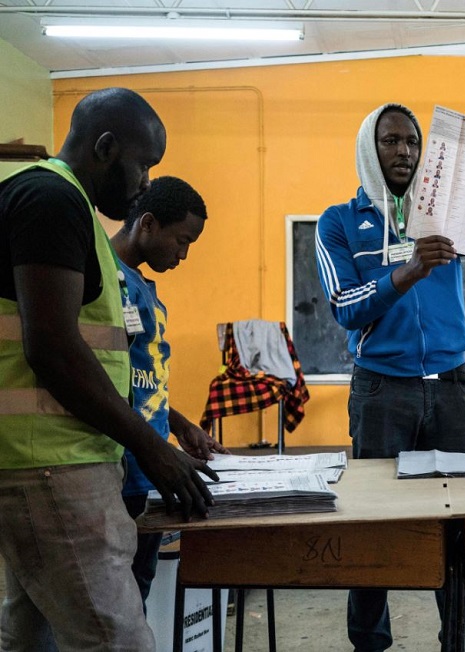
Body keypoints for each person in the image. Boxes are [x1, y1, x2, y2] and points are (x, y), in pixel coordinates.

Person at [0, 87, 217, 651]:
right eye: (143, 164)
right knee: (117, 640)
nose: (145, 181)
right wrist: (150, 447)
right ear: (105, 147)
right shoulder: (50, 199)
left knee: (29, 639)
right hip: (53, 465)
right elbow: (50, 346)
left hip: (44, 460)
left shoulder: (67, 208)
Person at [315, 103, 465, 650]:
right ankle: (370, 642)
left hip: (450, 387)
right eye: (390, 141)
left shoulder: (445, 215)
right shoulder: (339, 222)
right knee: (373, 524)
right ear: (370, 146)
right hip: (381, 390)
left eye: (412, 142)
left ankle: (457, 640)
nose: (404, 152)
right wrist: (407, 271)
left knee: (459, 524)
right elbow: (343, 304)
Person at [111, 175, 229, 607]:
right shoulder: (105, 280)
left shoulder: (139, 284)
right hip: (123, 470)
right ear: (147, 224)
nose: (184, 253)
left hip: (150, 469)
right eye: (182, 240)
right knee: (118, 605)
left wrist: (179, 424)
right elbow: (102, 381)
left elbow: (139, 379)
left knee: (136, 595)